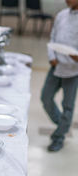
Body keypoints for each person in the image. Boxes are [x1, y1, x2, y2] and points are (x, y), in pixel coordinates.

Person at [41, 0, 78, 152]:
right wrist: (51, 56)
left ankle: (59, 137)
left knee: (67, 107)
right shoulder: (62, 15)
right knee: (46, 97)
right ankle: (62, 124)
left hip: (73, 70)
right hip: (56, 66)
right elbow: (53, 38)